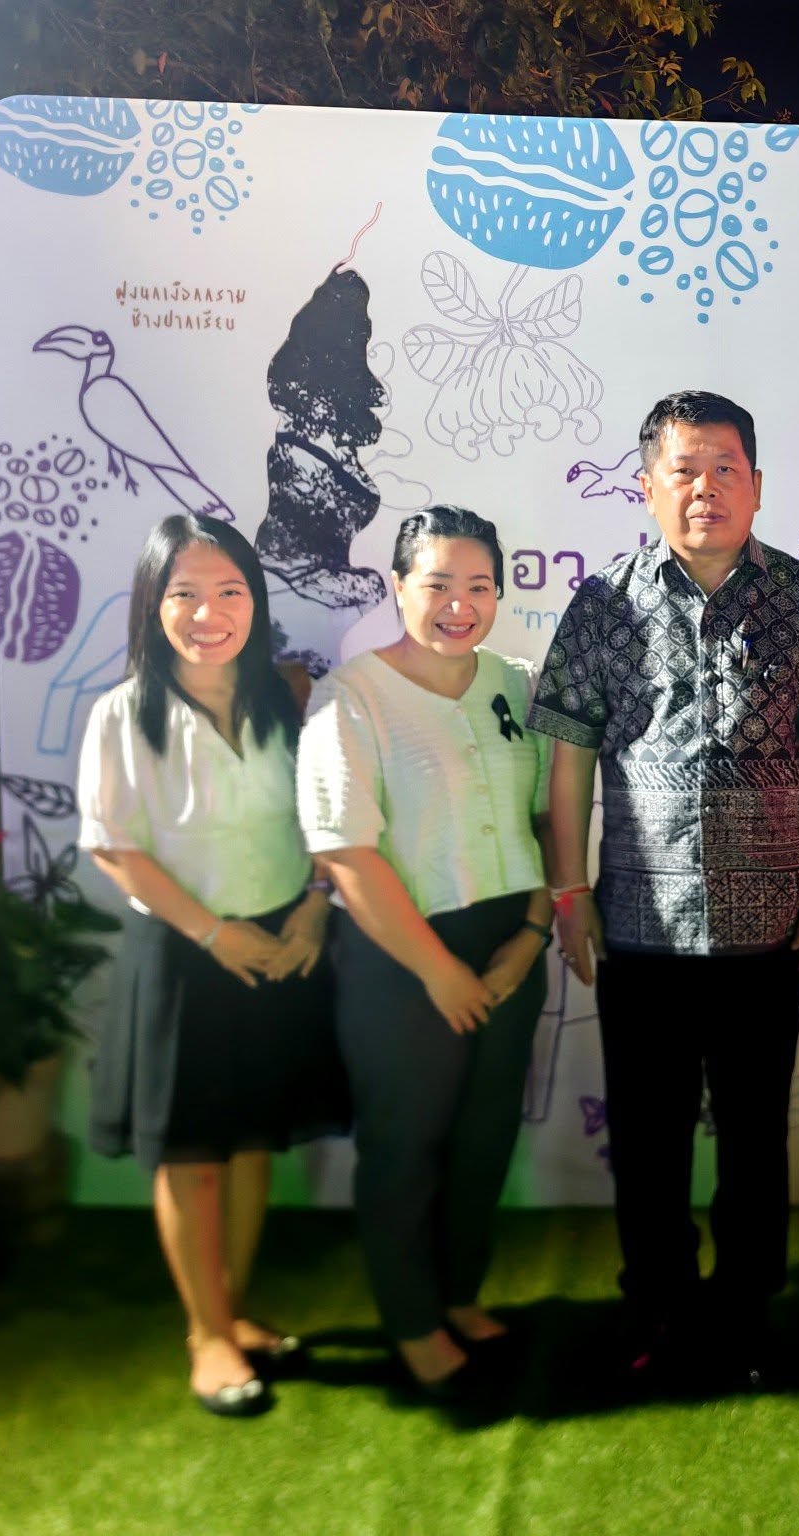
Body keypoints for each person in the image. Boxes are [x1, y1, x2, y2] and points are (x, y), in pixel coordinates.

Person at [529, 390, 799, 1385]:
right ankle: (657, 1309)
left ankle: (746, 1312)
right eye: (683, 469)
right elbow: (567, 763)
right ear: (647, 486)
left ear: (756, 484)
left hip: (774, 929)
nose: (705, 488)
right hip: (640, 928)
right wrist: (568, 893)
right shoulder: (602, 603)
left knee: (756, 1141)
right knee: (648, 1143)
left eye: (726, 468)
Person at [77, 513, 344, 1417]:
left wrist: (316, 905)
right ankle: (206, 1336)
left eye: (229, 591)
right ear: (153, 606)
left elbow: (331, 815)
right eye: (184, 594)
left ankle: (234, 1311)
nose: (208, 613)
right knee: (191, 1158)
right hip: (186, 954)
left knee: (253, 1140)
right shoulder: (123, 714)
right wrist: (213, 932)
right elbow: (115, 848)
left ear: (255, 601)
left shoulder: (291, 697)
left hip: (283, 941)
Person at [297, 505, 556, 1400]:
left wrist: (532, 935)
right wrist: (437, 970)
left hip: (511, 940)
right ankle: (412, 1323)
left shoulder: (516, 684)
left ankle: (457, 1295)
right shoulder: (352, 696)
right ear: (398, 586)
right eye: (438, 583)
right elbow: (345, 853)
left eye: (479, 586)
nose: (459, 604)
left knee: (484, 1139)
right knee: (406, 1146)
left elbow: (547, 820)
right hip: (402, 956)